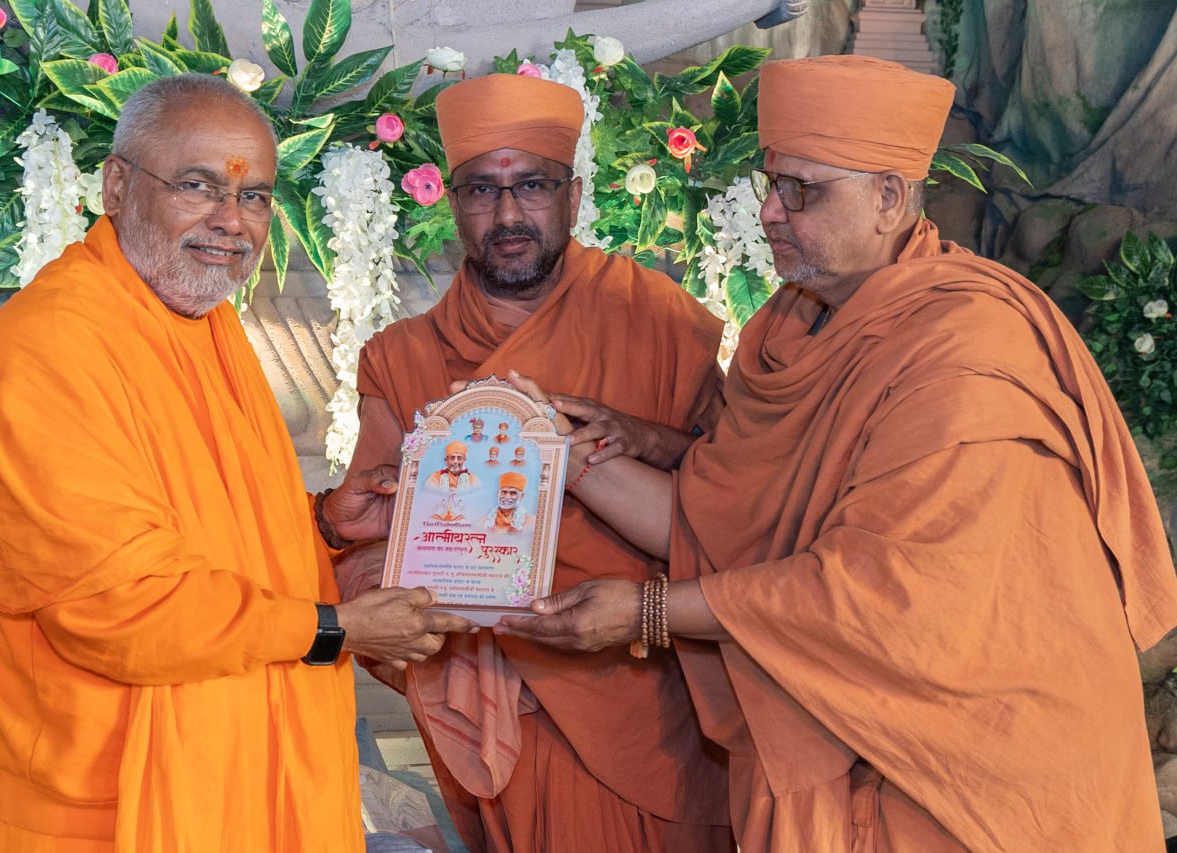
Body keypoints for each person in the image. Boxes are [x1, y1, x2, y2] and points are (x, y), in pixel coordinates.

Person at [498, 55, 1177, 850]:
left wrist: (647, 611)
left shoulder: (968, 355)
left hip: (971, 767)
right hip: (847, 730)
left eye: (803, 191)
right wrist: (553, 444)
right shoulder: (792, 325)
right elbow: (722, 518)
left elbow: (879, 597)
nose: (771, 214)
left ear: (889, 197)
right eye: (770, 185)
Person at [0, 74, 473, 852]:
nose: (231, 220)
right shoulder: (50, 349)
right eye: (197, 185)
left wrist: (323, 523)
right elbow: (121, 606)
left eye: (254, 196)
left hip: (243, 775)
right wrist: (336, 629)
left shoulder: (201, 320)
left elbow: (206, 534)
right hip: (115, 807)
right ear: (116, 186)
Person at [320, 74, 732, 852]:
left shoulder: (661, 321)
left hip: (655, 695)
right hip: (504, 707)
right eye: (483, 189)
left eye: (533, 186)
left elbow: (741, 496)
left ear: (572, 197)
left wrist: (645, 438)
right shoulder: (401, 358)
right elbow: (364, 545)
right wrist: (435, 609)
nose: (508, 214)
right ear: (453, 204)